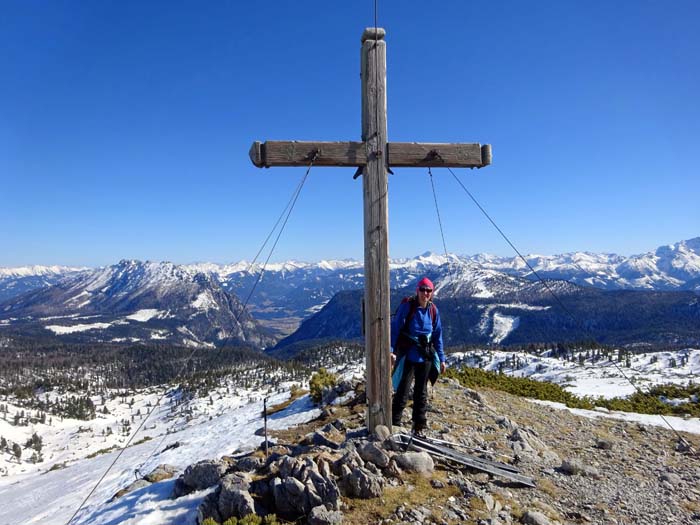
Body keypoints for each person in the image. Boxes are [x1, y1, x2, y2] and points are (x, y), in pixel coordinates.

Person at [390, 277, 446, 436]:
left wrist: (442, 359)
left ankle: (419, 426)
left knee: (421, 392)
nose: (425, 293)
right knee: (403, 389)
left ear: (432, 293)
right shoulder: (407, 306)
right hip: (409, 354)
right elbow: (395, 329)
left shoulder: (433, 310)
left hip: (426, 356)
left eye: (429, 291)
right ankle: (395, 423)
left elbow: (437, 335)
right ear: (417, 290)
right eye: (422, 290)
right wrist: (392, 350)